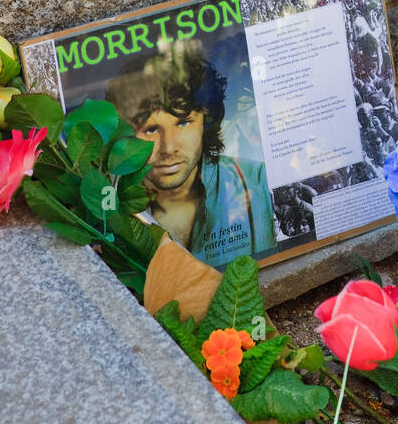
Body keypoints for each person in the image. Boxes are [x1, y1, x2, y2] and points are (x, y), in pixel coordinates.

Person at [105, 38, 275, 267]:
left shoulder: (259, 182)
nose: (168, 148)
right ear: (125, 132)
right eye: (151, 129)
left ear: (207, 120)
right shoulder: (106, 203)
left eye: (183, 123)